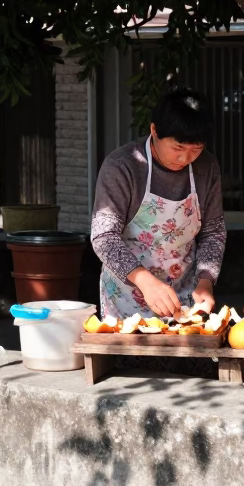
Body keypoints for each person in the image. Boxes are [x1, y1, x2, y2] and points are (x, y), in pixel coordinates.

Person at [91, 88, 226, 319]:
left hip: (185, 298)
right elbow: (104, 237)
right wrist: (144, 280)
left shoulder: (207, 167)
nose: (185, 158)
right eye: (178, 148)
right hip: (125, 300)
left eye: (196, 149)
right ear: (154, 130)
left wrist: (205, 280)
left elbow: (213, 232)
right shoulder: (122, 166)